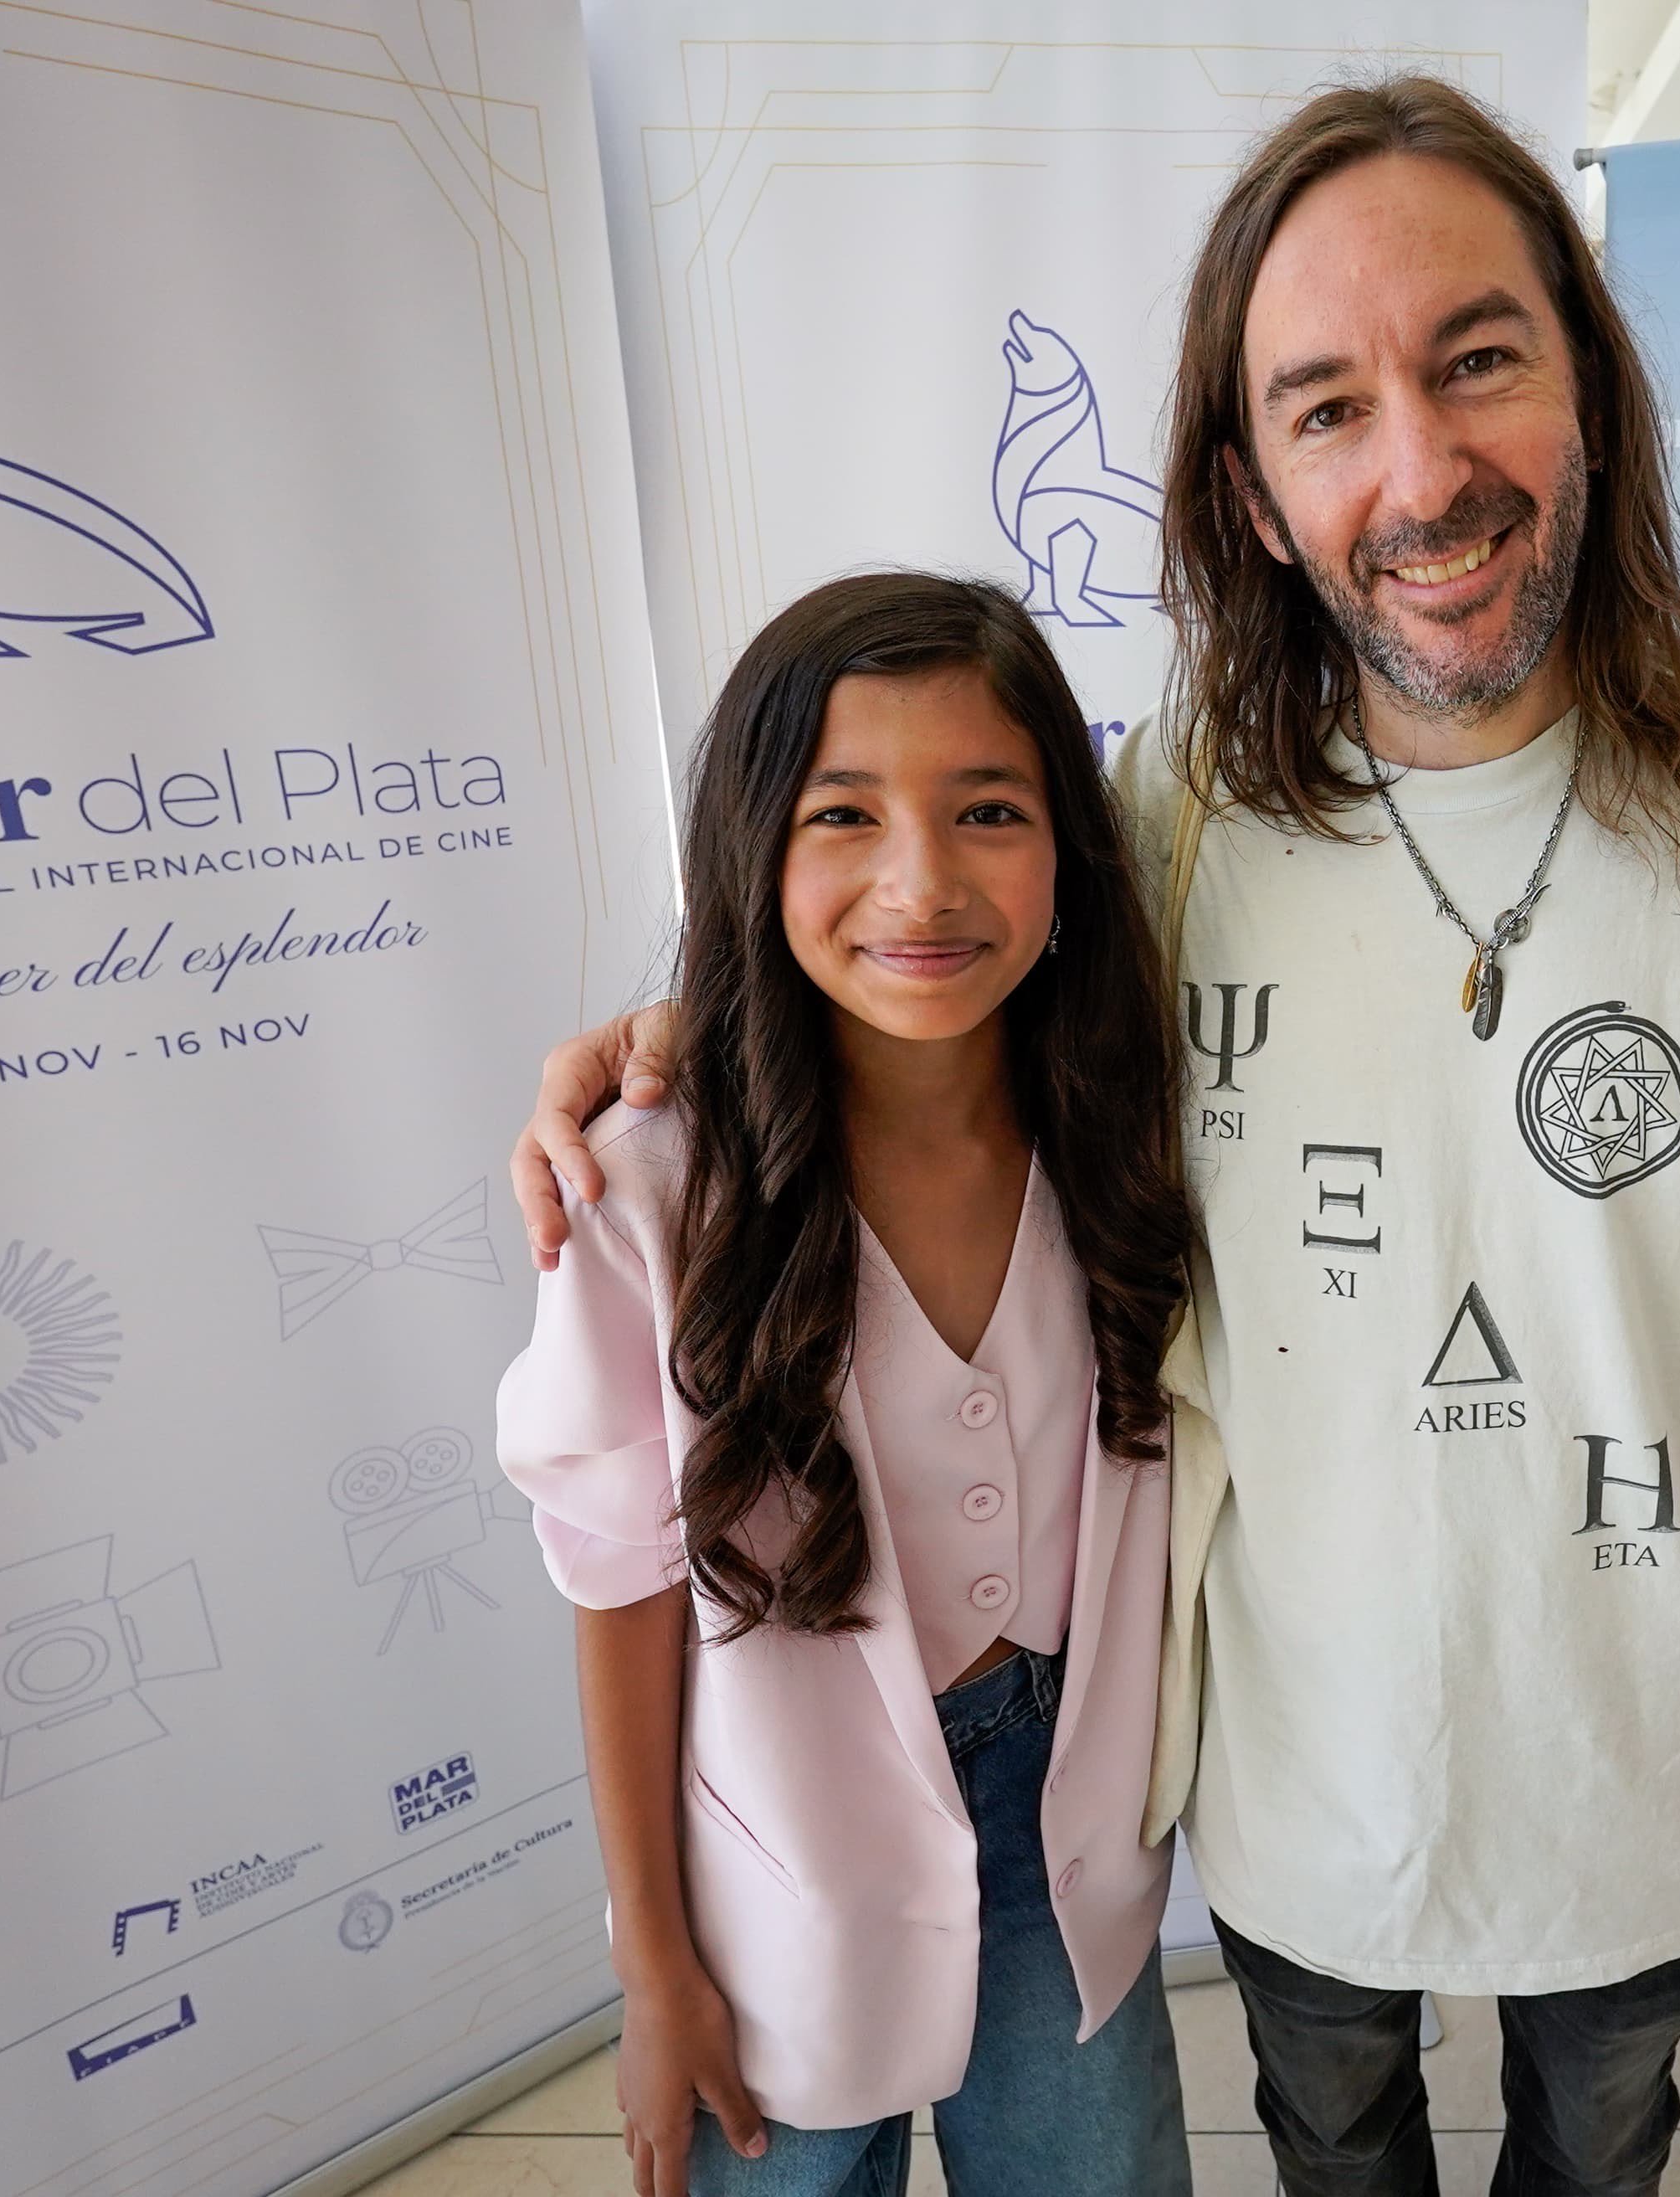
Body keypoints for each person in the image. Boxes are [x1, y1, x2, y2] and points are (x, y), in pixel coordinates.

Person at [516, 80, 1680, 2197]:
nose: (1419, 470)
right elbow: (932, 967)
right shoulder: (1176, 821)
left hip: (1644, 1733)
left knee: (1601, 2143)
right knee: (1331, 2141)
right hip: (1295, 1756)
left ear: (1589, 391)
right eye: (1328, 407)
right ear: (1251, 490)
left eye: (1478, 361)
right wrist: (687, 1038)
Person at [496, 574, 1193, 2197]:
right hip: (780, 1857)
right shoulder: (650, 1189)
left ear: (1068, 852)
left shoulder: (1125, 1120)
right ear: (752, 843)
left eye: (989, 809)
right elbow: (621, 1585)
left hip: (1056, 1828)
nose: (922, 881)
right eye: (844, 813)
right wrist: (655, 1961)